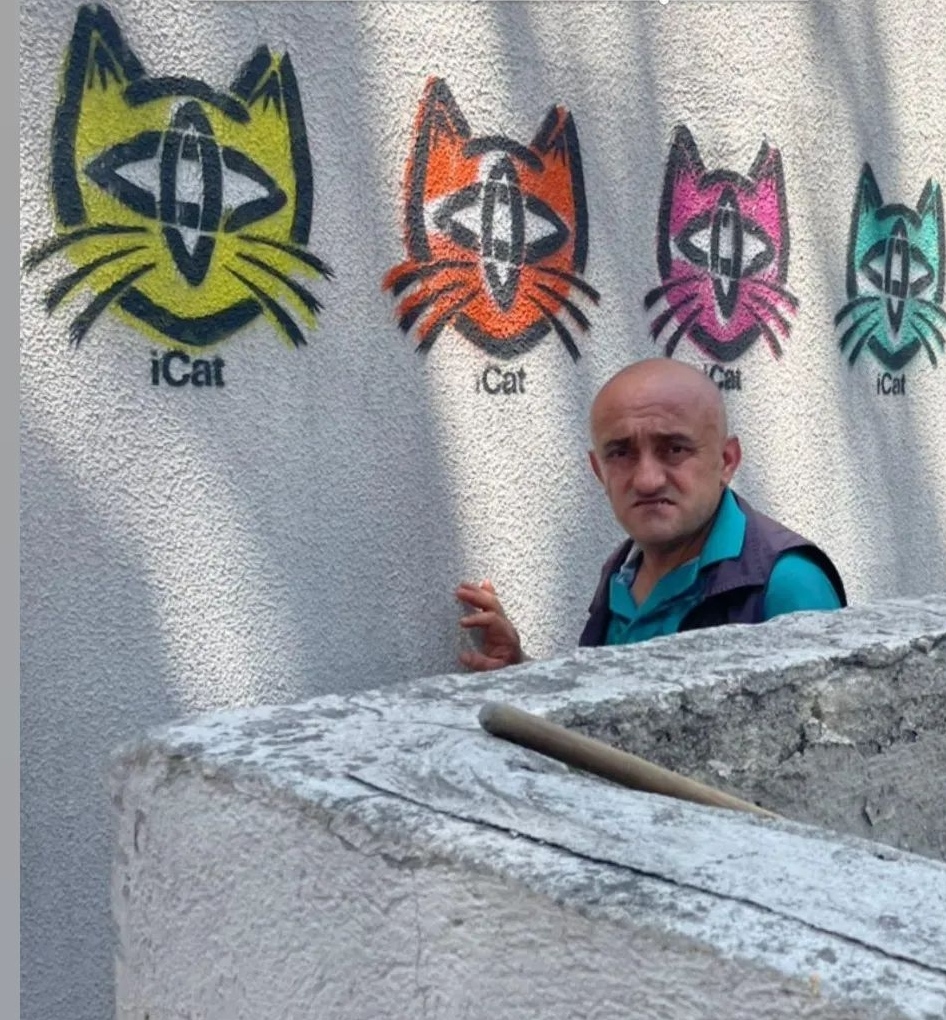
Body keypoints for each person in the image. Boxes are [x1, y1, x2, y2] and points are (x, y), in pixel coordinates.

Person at [456, 357, 846, 671]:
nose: (646, 480)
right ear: (599, 471)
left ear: (727, 461)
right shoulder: (623, 571)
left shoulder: (785, 585)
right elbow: (615, 711)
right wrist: (521, 670)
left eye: (674, 449)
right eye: (621, 453)